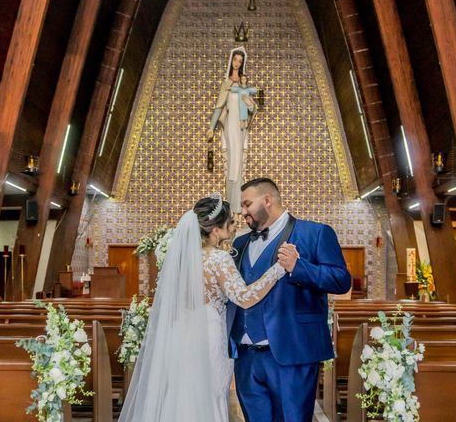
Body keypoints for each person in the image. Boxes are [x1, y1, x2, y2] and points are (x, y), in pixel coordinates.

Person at [119, 193, 287, 422]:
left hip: (181, 335)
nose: (234, 224)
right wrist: (278, 269)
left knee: (181, 396)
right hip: (208, 338)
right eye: (229, 221)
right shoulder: (218, 259)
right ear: (216, 230)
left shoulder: (180, 260)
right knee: (209, 397)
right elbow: (245, 297)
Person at [227, 178, 351, 422]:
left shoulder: (315, 233)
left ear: (268, 200)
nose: (242, 213)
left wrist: (298, 267)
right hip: (246, 356)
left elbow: (341, 280)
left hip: (293, 352)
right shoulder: (240, 243)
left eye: (247, 204)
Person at [207, 47, 255, 214]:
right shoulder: (226, 84)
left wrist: (250, 105)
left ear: (242, 64)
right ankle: (231, 202)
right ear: (231, 61)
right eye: (235, 60)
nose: (237, 63)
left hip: (240, 126)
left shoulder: (244, 86)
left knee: (238, 162)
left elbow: (251, 108)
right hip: (229, 125)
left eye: (240, 61)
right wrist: (211, 128)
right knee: (232, 161)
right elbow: (218, 107)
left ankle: (237, 204)